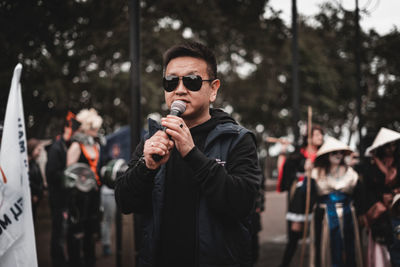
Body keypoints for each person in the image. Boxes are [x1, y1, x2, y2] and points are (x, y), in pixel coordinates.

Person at [115, 41, 262, 267]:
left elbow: (242, 203)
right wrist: (147, 166)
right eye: (171, 81)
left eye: (192, 81)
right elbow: (125, 202)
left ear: (213, 89)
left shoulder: (237, 139)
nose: (180, 90)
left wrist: (192, 154)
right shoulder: (152, 140)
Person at [297, 137, 365, 267]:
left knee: (349, 247)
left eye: (340, 152)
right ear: (327, 155)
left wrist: (360, 213)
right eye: (334, 153)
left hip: (348, 215)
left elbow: (360, 195)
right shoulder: (316, 172)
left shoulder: (351, 173)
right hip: (324, 218)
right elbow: (305, 193)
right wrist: (307, 173)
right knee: (325, 247)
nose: (338, 155)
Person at [278, 125, 324, 267]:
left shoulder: (324, 155)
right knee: (294, 235)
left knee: (319, 235)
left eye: (321, 135)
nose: (320, 138)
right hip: (300, 198)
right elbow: (287, 175)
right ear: (309, 138)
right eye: (317, 135)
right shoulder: (298, 156)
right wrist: (304, 167)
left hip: (319, 197)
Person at [66, 108, 103, 267]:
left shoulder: (96, 146)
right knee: (77, 231)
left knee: (91, 230)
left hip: (94, 193)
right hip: (79, 196)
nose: (96, 132)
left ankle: (90, 260)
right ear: (87, 128)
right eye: (94, 128)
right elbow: (68, 172)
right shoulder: (76, 146)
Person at [46, 111, 80, 267]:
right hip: (57, 197)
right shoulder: (56, 148)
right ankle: (58, 260)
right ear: (68, 128)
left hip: (63, 196)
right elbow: (52, 173)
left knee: (62, 231)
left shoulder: (63, 146)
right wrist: (67, 175)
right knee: (58, 231)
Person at [364, 127, 400, 267]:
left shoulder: (398, 162)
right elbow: (368, 189)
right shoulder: (372, 166)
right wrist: (379, 203)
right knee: (383, 243)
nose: (391, 148)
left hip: (398, 208)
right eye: (388, 145)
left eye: (393, 144)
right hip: (380, 210)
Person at [27, 138, 44, 222]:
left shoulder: (34, 163)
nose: (39, 153)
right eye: (38, 150)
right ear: (31, 148)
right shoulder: (25, 164)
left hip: (35, 199)